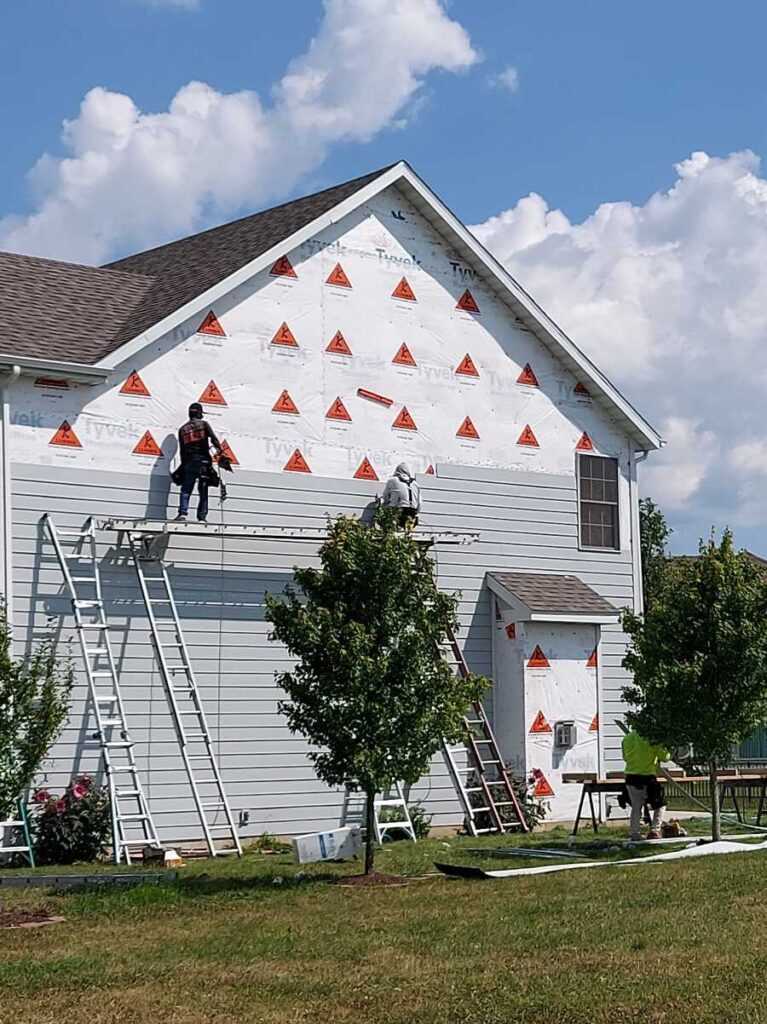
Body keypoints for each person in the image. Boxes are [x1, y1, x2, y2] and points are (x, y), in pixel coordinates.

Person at [174, 402, 223, 522]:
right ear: (199, 413)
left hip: (189, 462)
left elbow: (182, 451)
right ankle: (202, 517)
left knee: (186, 489)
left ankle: (182, 514)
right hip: (203, 461)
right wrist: (220, 451)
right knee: (203, 489)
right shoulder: (204, 424)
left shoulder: (182, 429)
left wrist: (183, 466)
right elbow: (214, 440)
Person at [621, 727, 670, 841]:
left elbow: (625, 757)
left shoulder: (627, 738)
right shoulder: (652, 738)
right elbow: (665, 757)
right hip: (647, 777)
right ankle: (655, 830)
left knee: (636, 807)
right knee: (660, 804)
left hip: (631, 777)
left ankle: (635, 833)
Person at [381, 462, 421, 528]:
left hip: (398, 512)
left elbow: (386, 497)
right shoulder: (416, 484)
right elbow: (420, 503)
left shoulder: (393, 480)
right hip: (412, 514)